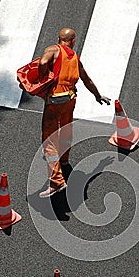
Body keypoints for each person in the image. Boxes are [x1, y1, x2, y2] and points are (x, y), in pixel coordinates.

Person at [38, 27, 110, 198]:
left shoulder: (53, 50)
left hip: (55, 100)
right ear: (73, 41)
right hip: (70, 99)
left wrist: (44, 79)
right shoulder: (75, 58)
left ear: (59, 38)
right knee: (66, 130)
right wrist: (98, 95)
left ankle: (56, 182)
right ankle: (64, 160)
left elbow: (41, 63)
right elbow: (87, 79)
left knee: (48, 140)